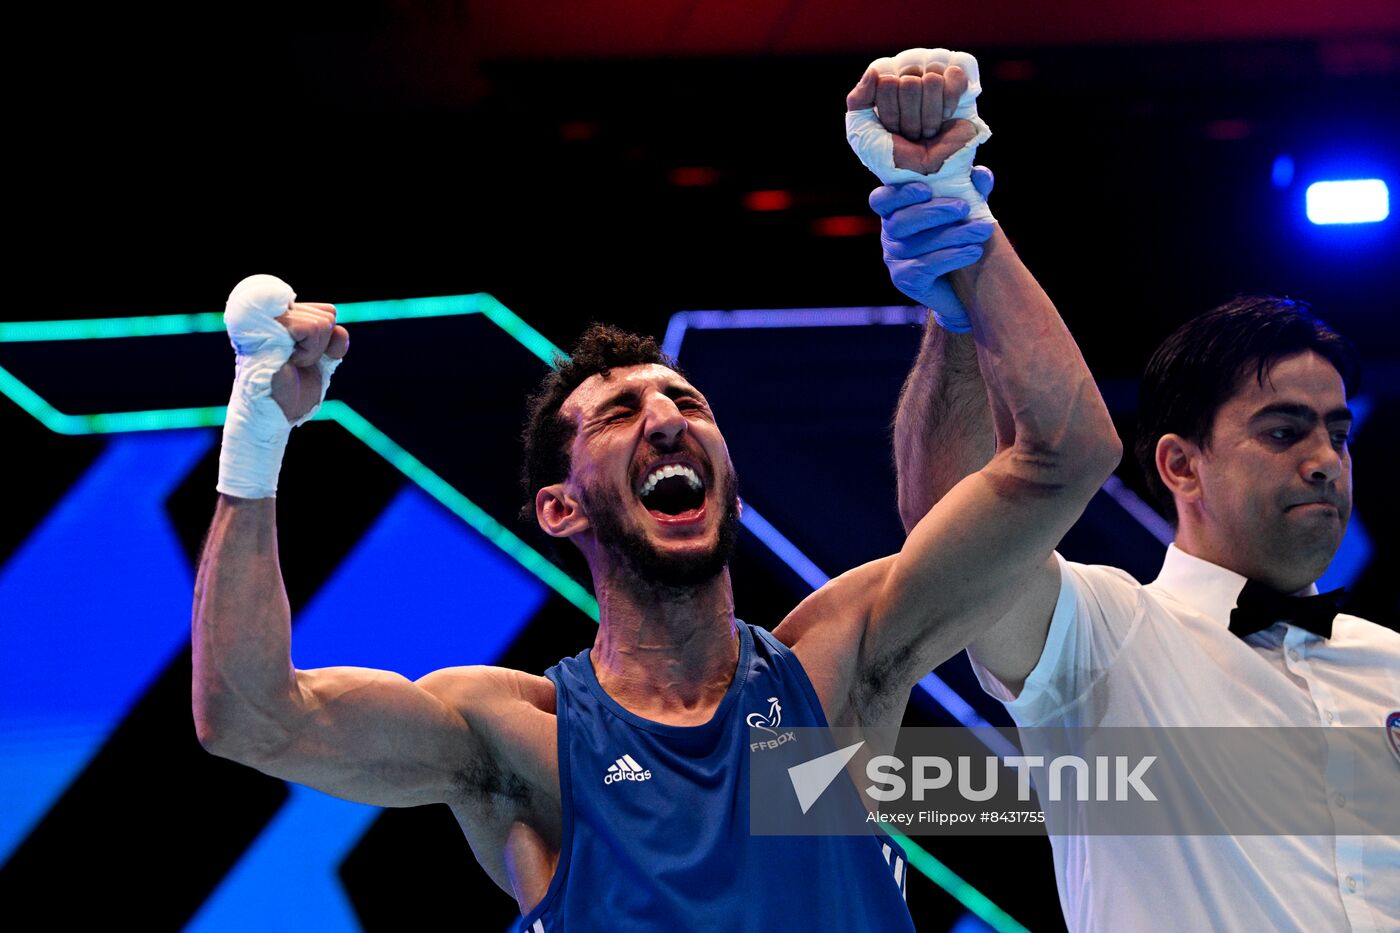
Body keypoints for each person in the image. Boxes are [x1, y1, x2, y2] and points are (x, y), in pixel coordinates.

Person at [191, 50, 1121, 930]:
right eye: (618, 415)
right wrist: (258, 429)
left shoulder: (842, 667)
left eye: (687, 402)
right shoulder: (518, 742)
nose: (669, 420)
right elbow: (253, 719)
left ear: (731, 489)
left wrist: (954, 222)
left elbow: (1069, 454)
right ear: (560, 507)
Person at [884, 159, 1400, 933]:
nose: (1324, 458)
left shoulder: (1388, 663)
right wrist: (959, 321)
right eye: (1285, 431)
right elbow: (950, 534)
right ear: (1180, 465)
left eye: (1338, 432)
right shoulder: (1102, 634)